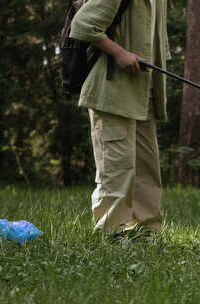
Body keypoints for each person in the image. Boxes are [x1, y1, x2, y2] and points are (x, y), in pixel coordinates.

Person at [70, 0, 170, 240]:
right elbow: (82, 25)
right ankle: (111, 233)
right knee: (117, 168)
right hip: (111, 92)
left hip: (142, 94)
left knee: (147, 167)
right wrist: (120, 53)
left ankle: (147, 231)